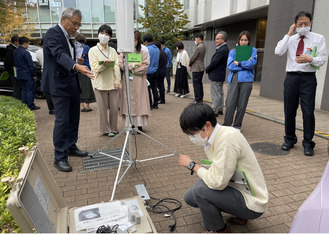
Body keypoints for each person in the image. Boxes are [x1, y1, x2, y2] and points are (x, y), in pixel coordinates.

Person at [179, 103, 268, 233]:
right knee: (190, 196)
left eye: (193, 133)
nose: (192, 137)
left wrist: (193, 166)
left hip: (252, 202)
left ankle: (219, 229)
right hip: (238, 187)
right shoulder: (215, 137)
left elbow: (218, 182)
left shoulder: (227, 139)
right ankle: (239, 214)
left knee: (199, 190)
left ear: (207, 125)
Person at [41, 7, 95, 172]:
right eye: (74, 23)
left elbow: (65, 57)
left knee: (73, 118)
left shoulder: (69, 38)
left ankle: (71, 146)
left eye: (79, 25)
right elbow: (58, 54)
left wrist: (76, 61)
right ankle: (59, 156)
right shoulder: (53, 33)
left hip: (71, 83)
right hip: (58, 85)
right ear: (64, 19)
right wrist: (76, 65)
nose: (76, 28)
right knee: (63, 121)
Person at [275, 11, 327, 156]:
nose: (303, 26)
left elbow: (322, 59)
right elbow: (278, 51)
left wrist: (310, 60)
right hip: (291, 78)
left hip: (308, 79)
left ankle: (308, 143)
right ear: (295, 25)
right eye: (300, 24)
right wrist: (288, 33)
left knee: (308, 112)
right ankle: (289, 139)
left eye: (306, 23)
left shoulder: (318, 38)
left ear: (311, 23)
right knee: (289, 110)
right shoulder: (291, 39)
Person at [89, 24, 121, 137]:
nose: (104, 36)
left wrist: (117, 82)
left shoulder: (112, 50)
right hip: (99, 83)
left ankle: (114, 127)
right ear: (98, 34)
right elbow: (94, 68)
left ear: (110, 37)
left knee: (114, 108)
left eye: (106, 34)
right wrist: (103, 65)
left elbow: (116, 67)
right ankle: (106, 129)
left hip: (112, 83)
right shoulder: (92, 50)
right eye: (102, 33)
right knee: (102, 109)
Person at [223, 30, 257, 130]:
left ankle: (237, 125)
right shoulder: (233, 51)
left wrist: (239, 63)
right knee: (230, 103)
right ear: (239, 40)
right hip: (235, 78)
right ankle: (227, 125)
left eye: (246, 40)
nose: (243, 42)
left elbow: (252, 64)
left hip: (247, 80)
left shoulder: (253, 50)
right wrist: (245, 65)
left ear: (249, 41)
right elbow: (230, 66)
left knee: (242, 105)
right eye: (241, 40)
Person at [119, 31, 151, 133]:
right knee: (128, 101)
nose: (133, 42)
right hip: (128, 81)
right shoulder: (123, 53)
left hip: (139, 81)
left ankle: (140, 125)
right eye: (131, 40)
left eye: (135, 39)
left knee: (140, 102)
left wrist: (134, 70)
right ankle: (130, 124)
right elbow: (122, 65)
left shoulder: (143, 52)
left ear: (138, 40)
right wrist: (133, 66)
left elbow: (145, 66)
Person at [205, 32, 229, 117]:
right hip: (220, 75)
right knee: (220, 93)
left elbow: (214, 63)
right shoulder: (224, 48)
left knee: (216, 94)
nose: (216, 40)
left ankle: (215, 111)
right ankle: (220, 109)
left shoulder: (222, 50)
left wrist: (207, 69)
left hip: (216, 75)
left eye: (218, 39)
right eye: (216, 38)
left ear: (223, 39)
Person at [13, 36, 40, 111]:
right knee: (30, 90)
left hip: (19, 73)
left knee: (24, 90)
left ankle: (24, 105)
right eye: (28, 43)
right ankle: (30, 105)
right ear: (24, 43)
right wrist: (34, 75)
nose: (28, 45)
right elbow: (30, 65)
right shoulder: (25, 52)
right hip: (27, 74)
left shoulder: (15, 51)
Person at [75, 34, 96, 112]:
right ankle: (87, 106)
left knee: (79, 88)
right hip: (86, 70)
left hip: (77, 69)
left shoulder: (75, 47)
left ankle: (82, 106)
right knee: (87, 88)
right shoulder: (86, 47)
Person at [36, 38, 55, 115]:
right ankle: (55, 107)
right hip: (52, 71)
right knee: (53, 90)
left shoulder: (37, 52)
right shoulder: (50, 51)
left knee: (47, 91)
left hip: (43, 71)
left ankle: (51, 108)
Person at [143, 34, 159, 110]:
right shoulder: (157, 49)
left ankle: (150, 105)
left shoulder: (147, 49)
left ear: (146, 41)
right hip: (155, 71)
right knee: (154, 88)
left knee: (148, 89)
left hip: (148, 71)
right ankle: (156, 103)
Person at [189, 33, 206, 103]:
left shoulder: (198, 47)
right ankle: (200, 98)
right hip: (201, 66)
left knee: (196, 84)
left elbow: (192, 58)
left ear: (199, 38)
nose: (195, 40)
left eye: (195, 39)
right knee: (199, 83)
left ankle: (197, 99)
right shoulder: (203, 46)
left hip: (197, 67)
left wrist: (190, 64)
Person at [5, 35, 21, 100]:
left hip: (15, 70)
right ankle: (16, 99)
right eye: (18, 42)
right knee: (16, 85)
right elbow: (7, 61)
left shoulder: (13, 49)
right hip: (13, 70)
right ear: (15, 42)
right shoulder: (11, 50)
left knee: (17, 85)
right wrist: (9, 70)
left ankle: (18, 98)